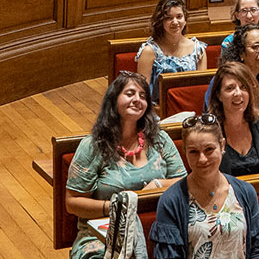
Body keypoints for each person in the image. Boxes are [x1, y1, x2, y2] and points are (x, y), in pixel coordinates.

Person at [66, 74, 184, 227]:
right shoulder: (93, 145)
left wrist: (157, 184)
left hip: (158, 227)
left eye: (143, 96)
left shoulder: (159, 138)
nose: (137, 99)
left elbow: (183, 184)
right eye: (130, 94)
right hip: (107, 230)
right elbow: (72, 203)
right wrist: (119, 207)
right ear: (113, 100)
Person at [207, 62, 259, 177]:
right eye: (230, 88)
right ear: (219, 95)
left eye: (243, 87)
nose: (238, 93)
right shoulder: (209, 132)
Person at [136, 0, 207, 102]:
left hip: (191, 109)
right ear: (160, 21)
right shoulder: (149, 51)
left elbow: (201, 90)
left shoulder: (198, 50)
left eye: (179, 16)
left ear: (185, 19)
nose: (175, 22)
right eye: (168, 18)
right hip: (158, 111)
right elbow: (141, 93)